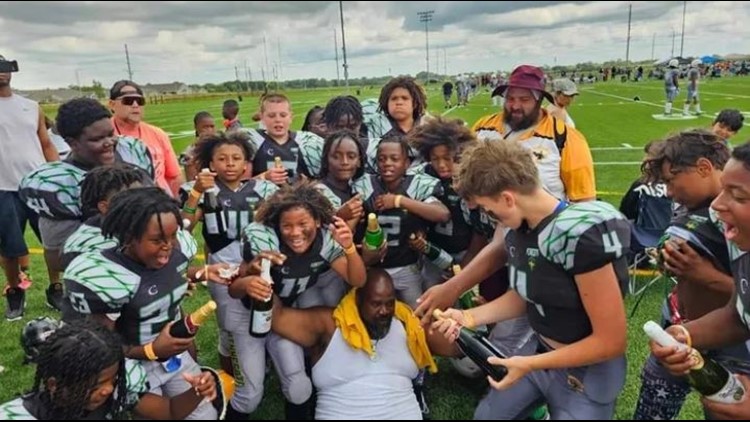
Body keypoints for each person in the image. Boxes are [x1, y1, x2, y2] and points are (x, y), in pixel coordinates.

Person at [432, 140, 630, 419]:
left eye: (488, 209)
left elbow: (611, 341)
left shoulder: (578, 236)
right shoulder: (521, 229)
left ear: (508, 199)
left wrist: (530, 364)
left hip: (585, 371)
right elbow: (526, 294)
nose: (490, 217)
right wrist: (468, 317)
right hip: (539, 351)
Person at [63, 187, 233, 420]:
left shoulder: (178, 249)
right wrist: (150, 350)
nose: (169, 245)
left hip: (174, 357)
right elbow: (101, 347)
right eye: (157, 239)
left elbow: (173, 272)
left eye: (172, 236)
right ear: (129, 236)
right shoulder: (108, 277)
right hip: (131, 363)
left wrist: (201, 272)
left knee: (203, 415)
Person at [229, 183, 366, 420]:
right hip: (248, 315)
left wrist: (350, 248)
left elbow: (358, 279)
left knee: (299, 387)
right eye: (287, 226)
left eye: (303, 224)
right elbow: (234, 290)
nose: (295, 233)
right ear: (276, 226)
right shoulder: (265, 240)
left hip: (283, 315)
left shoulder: (324, 241)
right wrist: (249, 277)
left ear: (318, 221)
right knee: (250, 396)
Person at [633, 130, 740, 420]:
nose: (668, 191)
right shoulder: (691, 205)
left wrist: (706, 276)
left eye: (671, 180)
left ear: (704, 168)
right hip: (679, 329)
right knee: (652, 409)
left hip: (733, 344)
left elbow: (744, 298)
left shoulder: (736, 217)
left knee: (724, 408)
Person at [18, 97, 153, 314]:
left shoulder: (132, 153)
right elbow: (58, 259)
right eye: (97, 139)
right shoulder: (58, 185)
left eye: (110, 133)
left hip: (151, 277)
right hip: (100, 285)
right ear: (72, 142)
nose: (109, 142)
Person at [269, 268, 449, 420]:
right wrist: (262, 277)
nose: (384, 311)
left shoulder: (407, 324)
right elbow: (277, 318)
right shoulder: (330, 325)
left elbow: (456, 344)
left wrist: (466, 317)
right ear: (358, 299)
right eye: (376, 304)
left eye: (389, 303)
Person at [0, 318, 219, 420]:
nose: (107, 390)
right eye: (96, 384)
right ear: (53, 385)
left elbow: (170, 411)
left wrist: (197, 391)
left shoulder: (115, 391)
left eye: (112, 379)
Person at [472, 64, 596, 203]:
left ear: (539, 100)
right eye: (510, 98)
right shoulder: (483, 127)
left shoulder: (566, 138)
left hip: (543, 223)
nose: (515, 106)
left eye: (524, 100)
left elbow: (584, 201)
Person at [353, 135, 450, 308]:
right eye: (381, 159)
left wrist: (399, 201)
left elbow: (442, 214)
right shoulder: (365, 185)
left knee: (417, 315)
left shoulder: (416, 185)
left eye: (394, 159)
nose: (387, 163)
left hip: (406, 267)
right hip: (371, 268)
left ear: (406, 163)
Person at [0, 53, 59, 321]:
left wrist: (59, 173)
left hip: (38, 185)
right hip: (3, 188)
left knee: (52, 242)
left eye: (5, 67)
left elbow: (46, 143)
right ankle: (15, 290)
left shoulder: (31, 106)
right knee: (9, 246)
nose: (2, 73)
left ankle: (56, 286)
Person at [407, 117, 476, 287]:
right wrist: (420, 231)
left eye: (448, 158)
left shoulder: (470, 180)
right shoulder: (422, 174)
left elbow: (479, 233)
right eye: (435, 158)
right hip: (433, 253)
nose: (441, 165)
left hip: (465, 252)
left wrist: (464, 267)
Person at [60, 164, 146, 269]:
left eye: (143, 195)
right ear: (104, 207)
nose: (143, 202)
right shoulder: (92, 246)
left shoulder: (131, 225)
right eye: (132, 199)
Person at [109, 80, 183, 197]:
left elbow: (174, 176)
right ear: (112, 105)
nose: (135, 105)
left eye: (140, 101)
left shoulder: (157, 134)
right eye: (128, 101)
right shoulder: (104, 135)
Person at [246, 93, 324, 184]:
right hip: (265, 198)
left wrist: (309, 184)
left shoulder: (308, 142)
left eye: (283, 115)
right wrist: (264, 177)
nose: (278, 120)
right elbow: (237, 187)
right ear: (262, 117)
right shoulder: (251, 141)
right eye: (271, 116)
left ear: (291, 117)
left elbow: (326, 180)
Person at [180, 111, 216, 182]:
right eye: (205, 127)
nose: (209, 130)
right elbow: (192, 181)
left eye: (212, 126)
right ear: (196, 127)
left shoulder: (220, 146)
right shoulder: (190, 152)